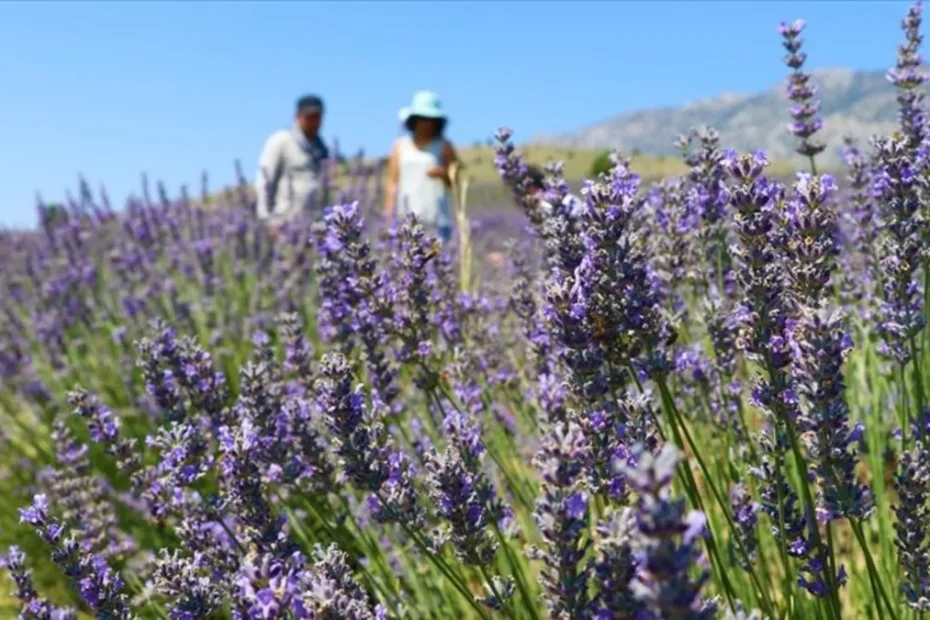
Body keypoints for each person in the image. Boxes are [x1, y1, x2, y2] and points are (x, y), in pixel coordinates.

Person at [385, 90, 458, 242]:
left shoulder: (445, 145)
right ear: (414, 120)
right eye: (422, 118)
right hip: (405, 218)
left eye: (431, 119)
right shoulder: (400, 146)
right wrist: (388, 215)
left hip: (437, 218)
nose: (426, 123)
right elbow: (392, 182)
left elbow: (456, 182)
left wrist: (442, 174)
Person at [254, 95, 331, 229]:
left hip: (314, 226)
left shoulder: (322, 148)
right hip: (284, 223)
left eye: (317, 117)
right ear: (298, 116)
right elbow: (265, 180)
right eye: (309, 117)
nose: (314, 122)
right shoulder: (281, 141)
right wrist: (267, 220)